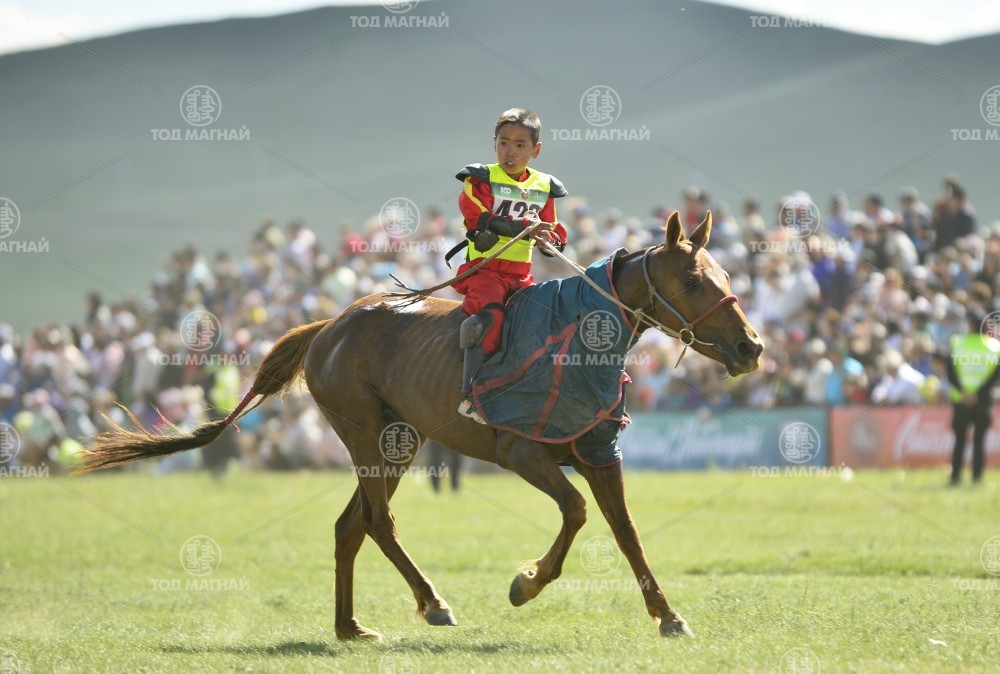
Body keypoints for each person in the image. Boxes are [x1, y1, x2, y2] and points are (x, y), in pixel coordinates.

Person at [451, 108, 568, 420]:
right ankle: (473, 396)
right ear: (494, 144)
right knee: (491, 317)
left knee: (546, 324)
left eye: (519, 145)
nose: (510, 152)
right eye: (504, 143)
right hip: (484, 271)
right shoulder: (480, 178)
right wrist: (527, 228)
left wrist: (550, 241)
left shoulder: (546, 186)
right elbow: (480, 219)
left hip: (521, 277)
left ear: (536, 150)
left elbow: (554, 229)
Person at [947, 312, 1000, 485]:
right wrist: (978, 394)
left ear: (970, 325)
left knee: (959, 441)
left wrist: (963, 392)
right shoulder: (995, 346)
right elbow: (994, 377)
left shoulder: (957, 342)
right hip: (982, 402)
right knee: (979, 441)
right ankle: (977, 478)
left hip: (961, 400)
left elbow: (950, 372)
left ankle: (955, 477)